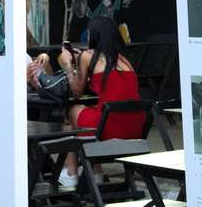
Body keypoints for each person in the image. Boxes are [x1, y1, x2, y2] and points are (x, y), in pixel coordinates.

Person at [57, 16, 144, 187]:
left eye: (88, 34)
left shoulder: (88, 56)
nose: (87, 38)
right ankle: (95, 172)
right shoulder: (125, 60)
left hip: (108, 129)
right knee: (95, 111)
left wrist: (68, 65)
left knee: (72, 111)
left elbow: (75, 91)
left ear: (95, 35)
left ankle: (71, 172)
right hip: (134, 130)